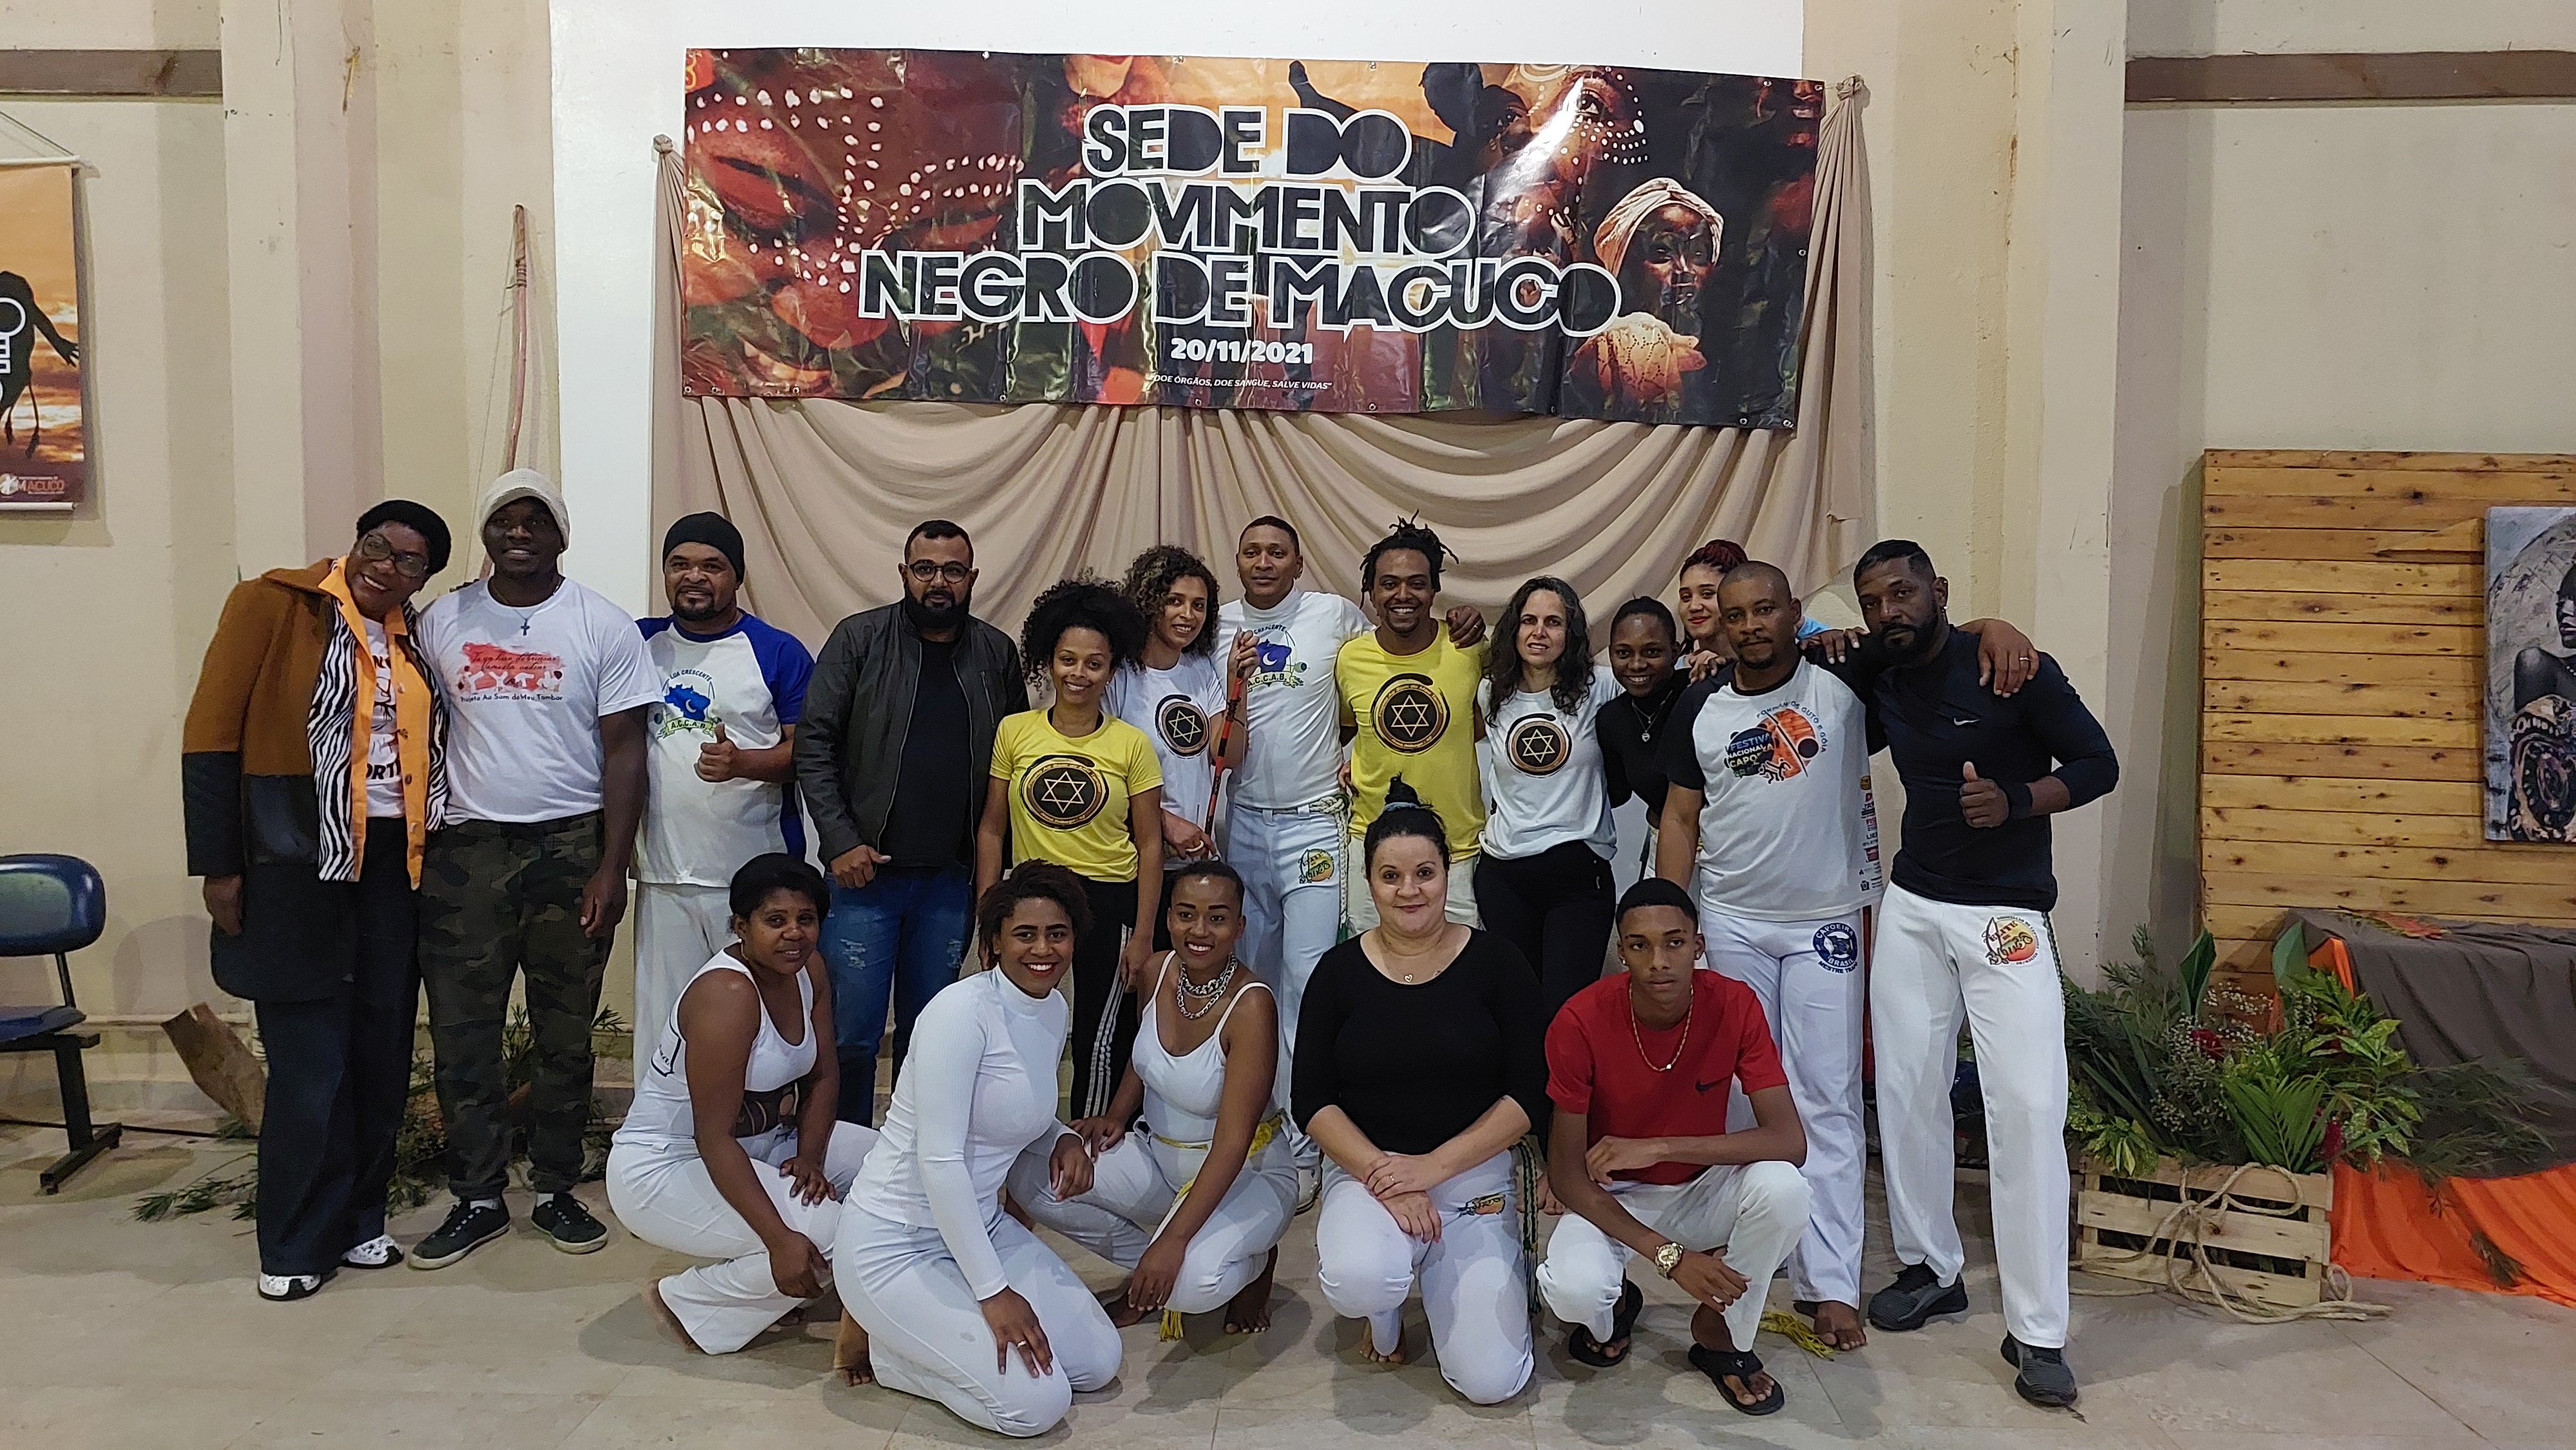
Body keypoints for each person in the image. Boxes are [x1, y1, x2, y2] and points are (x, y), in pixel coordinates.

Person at [1850, 540, 2117, 1409]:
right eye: (1872, 601)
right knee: (1906, 1091)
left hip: (2005, 914)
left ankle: (2038, 1330)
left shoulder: (2013, 667)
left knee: (2030, 1108)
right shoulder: (1879, 672)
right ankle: (1931, 1268)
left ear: (1938, 590)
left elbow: (2099, 764)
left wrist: (2018, 801)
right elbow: (1795, 651)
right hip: (1914, 906)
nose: (1888, 611)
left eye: (1902, 593)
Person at [182, 500, 451, 1300]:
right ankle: (295, 1237)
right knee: (310, 1063)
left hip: (393, 868)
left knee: (380, 1052)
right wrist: (219, 865)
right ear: (355, 543)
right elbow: (210, 734)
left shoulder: (414, 636)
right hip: (294, 864)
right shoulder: (271, 604)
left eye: (410, 561)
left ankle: (362, 1217)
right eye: (379, 546)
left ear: (423, 578)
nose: (388, 567)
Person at [412, 471, 657, 1267]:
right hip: (466, 852)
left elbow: (626, 753)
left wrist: (612, 866)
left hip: (570, 847)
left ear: (560, 534)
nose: (519, 533)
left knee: (565, 1033)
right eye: (504, 520)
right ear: (486, 532)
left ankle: (555, 1185)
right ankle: (477, 1196)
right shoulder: (441, 619)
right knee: (464, 1034)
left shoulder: (601, 623)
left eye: (535, 520)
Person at [1654, 560, 1881, 1352]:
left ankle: (1830, 1282)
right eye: (1736, 613)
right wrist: (1673, 919)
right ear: (1719, 621)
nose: (1751, 625)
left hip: (1824, 921)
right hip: (1732, 920)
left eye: (1766, 609)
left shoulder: (1843, 683)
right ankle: (1746, 1257)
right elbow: (1679, 817)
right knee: (1736, 1097)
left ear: (1794, 612)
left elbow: (1932, 647)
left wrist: (1997, 629)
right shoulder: (1700, 702)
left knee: (1826, 1096)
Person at [1216, 516, 1481, 1182]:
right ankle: (1259, 1127)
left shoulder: (1336, 618)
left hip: (1318, 826)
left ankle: (1312, 1137)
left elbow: (1415, 689)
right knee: (1251, 983)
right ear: (1237, 560)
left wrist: (1470, 625)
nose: (1265, 562)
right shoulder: (1216, 626)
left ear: (1300, 562)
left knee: (1310, 981)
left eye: (1278, 551)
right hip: (1243, 823)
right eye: (1252, 551)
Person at [833, 863, 1124, 1438]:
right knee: (1035, 1407)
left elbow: (1016, 1110)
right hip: (896, 1243)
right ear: (992, 943)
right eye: (1025, 935)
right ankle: (892, 1353)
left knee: (1096, 1364)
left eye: (1058, 934)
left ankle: (916, 1339)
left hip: (979, 1226)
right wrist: (994, 1294)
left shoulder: (1052, 1009)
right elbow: (939, 1162)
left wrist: (1063, 1136)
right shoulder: (959, 1014)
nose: (1043, 950)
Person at [1291, 785, 1548, 1406]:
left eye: (1424, 873)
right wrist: (1387, 1177)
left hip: (1472, 1177)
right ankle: (1384, 1311)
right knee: (1360, 1278)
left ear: (1447, 873)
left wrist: (1432, 1169)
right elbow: (1313, 1100)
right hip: (1371, 1174)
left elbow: (1530, 1093)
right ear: (1369, 882)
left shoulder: (1499, 962)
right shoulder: (1337, 972)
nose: (1409, 890)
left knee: (1491, 1383)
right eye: (1391, 876)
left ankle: (1450, 1274)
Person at [1537, 879, 1811, 1415]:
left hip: (1703, 1188)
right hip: (1612, 1197)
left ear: (1698, 947)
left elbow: (1788, 1140)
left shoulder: (1733, 1002)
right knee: (1574, 1291)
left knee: (1786, 1190)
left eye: (1675, 942)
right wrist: (1671, 1258)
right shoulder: (1579, 1019)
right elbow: (1567, 1174)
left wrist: (1659, 1146)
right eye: (1640, 946)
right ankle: (1616, 1307)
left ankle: (1722, 1332)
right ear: (1622, 952)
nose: (1658, 961)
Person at [797, 520, 1028, 1125]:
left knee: (932, 1036)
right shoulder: (859, 640)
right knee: (851, 1035)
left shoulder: (996, 654)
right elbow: (813, 745)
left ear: (972, 578)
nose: (938, 582)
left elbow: (1016, 763)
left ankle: (911, 1156)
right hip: (863, 879)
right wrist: (840, 841)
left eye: (953, 570)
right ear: (904, 574)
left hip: (951, 883)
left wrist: (996, 880)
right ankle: (844, 1152)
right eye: (925, 569)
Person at [1008, 862, 1293, 1337]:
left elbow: (1233, 1144)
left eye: (1217, 918)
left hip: (1245, 1175)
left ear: (1240, 926)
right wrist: (1116, 1116)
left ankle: (1254, 1261)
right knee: (1032, 1177)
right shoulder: (1157, 970)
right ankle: (1151, 1268)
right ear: (1169, 918)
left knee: (1187, 1289)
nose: (1199, 930)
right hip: (1160, 1158)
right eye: (1186, 914)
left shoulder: (1252, 1006)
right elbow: (1145, 1058)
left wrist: (1174, 1240)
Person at [607, 854, 877, 1353]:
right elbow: (712, 1138)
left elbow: (823, 1075)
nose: (794, 934)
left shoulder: (810, 969)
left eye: (806, 919)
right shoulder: (727, 993)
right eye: (775, 921)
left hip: (763, 1143)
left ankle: (766, 1289)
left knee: (892, 1166)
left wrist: (811, 1158)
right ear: (741, 927)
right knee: (829, 1233)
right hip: (669, 1164)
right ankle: (691, 1300)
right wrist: (778, 1239)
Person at [977, 578, 1165, 1120]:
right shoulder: (1015, 732)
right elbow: (991, 830)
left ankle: (1091, 1138)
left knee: (1099, 1037)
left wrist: (1143, 935)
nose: (1079, 674)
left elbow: (1150, 843)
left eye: (1094, 664)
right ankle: (1016, 1129)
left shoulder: (1132, 744)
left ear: (1112, 670)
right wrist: (989, 914)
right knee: (1019, 1024)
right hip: (1032, 897)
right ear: (1048, 662)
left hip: (1110, 898)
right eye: (1068, 660)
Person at [634, 513, 813, 1071]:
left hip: (752, 880)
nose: (694, 577)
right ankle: (660, 1126)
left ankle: (747, 1123)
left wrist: (744, 763)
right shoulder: (638, 642)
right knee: (662, 1029)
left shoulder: (777, 651)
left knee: (751, 1028)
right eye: (680, 564)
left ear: (737, 575)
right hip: (663, 873)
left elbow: (811, 753)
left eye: (712, 566)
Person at [1475, 576, 1620, 1021]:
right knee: (1517, 1013)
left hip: (1576, 875)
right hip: (1505, 874)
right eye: (1529, 621)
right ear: (1513, 629)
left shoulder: (1602, 687)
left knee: (1567, 1015)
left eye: (1553, 622)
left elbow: (1664, 688)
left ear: (1570, 631)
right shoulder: (1491, 692)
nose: (1539, 632)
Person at [1337, 521, 1488, 930]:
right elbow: (1346, 731)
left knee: (1457, 963)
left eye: (1417, 583)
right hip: (1372, 843)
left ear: (1435, 589)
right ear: (1371, 592)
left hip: (1457, 847)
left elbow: (1499, 715)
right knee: (1373, 960)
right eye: (1389, 584)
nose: (1403, 595)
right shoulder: (1350, 659)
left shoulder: (1469, 648)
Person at [1106, 545, 1250, 948]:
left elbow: (1227, 755)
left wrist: (1238, 685)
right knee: (1134, 976)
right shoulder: (1119, 675)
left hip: (1193, 864)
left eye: (1199, 605)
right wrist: (1165, 823)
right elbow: (1107, 773)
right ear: (1149, 601)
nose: (1188, 615)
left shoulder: (1200, 670)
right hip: (1134, 863)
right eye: (1175, 601)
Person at [1596, 598, 1686, 873]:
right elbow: (1617, 794)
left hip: (1730, 849)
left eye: (1652, 652)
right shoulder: (1611, 718)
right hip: (1663, 844)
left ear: (1675, 651)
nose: (1636, 664)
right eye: (1623, 653)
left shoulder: (1699, 692)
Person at [1674, 538, 1746, 666]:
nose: (1694, 606)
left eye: (1707, 594)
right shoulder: (1673, 670)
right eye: (1686, 597)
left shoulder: (1767, 666)